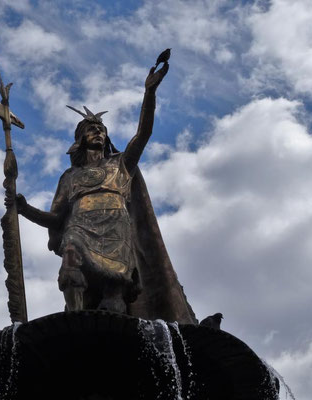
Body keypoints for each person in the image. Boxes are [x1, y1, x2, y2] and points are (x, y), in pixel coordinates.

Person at [13, 57, 196, 323]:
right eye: (91, 129)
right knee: (71, 259)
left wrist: (149, 93)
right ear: (81, 138)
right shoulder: (70, 177)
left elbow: (143, 134)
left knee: (114, 297)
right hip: (79, 225)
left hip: (116, 229)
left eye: (101, 129)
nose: (97, 132)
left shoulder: (121, 164)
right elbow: (56, 219)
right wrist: (25, 208)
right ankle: (73, 324)